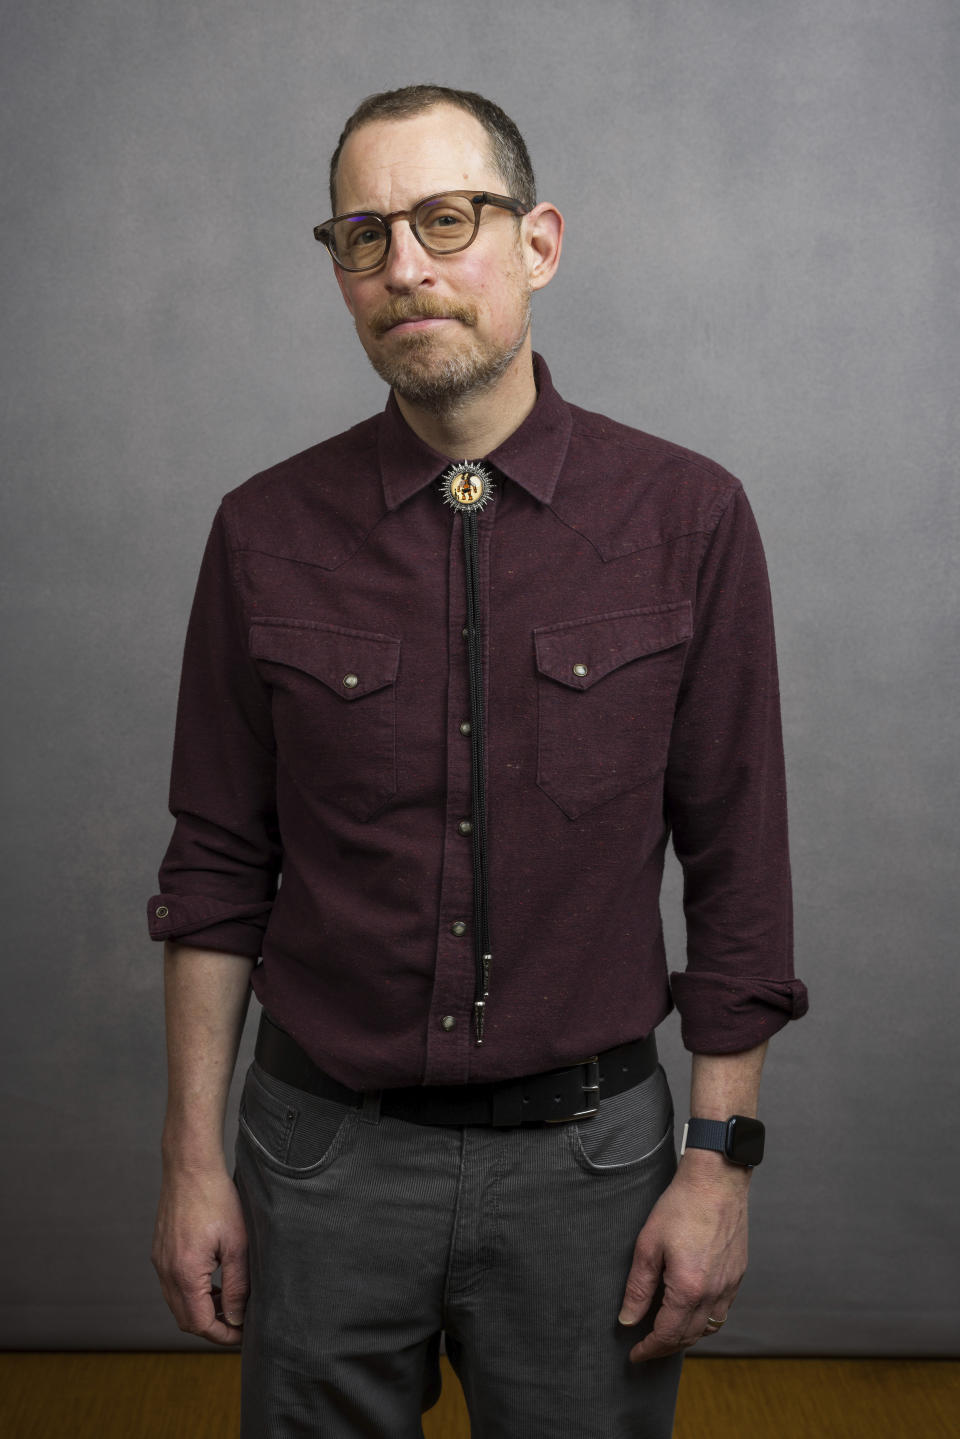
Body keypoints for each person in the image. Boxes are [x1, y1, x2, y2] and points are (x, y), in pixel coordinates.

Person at [149, 84, 808, 1439]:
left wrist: (719, 1164)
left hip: (595, 1165)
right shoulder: (262, 531)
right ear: (337, 270)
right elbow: (216, 869)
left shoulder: (688, 519)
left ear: (538, 242)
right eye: (364, 233)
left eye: (447, 219)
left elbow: (739, 865)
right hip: (320, 1157)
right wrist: (192, 1162)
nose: (407, 267)